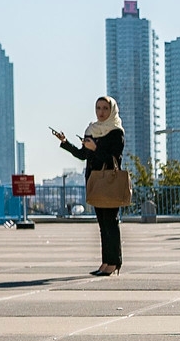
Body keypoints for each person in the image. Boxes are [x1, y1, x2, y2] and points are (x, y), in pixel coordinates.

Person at [52, 95, 126, 275]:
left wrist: (96, 148)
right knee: (102, 223)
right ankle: (105, 262)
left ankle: (115, 262)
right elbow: (82, 155)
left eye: (105, 108)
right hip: (94, 181)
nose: (101, 112)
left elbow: (115, 158)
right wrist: (65, 142)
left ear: (112, 110)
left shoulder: (116, 131)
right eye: (98, 108)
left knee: (111, 222)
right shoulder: (91, 130)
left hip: (109, 180)